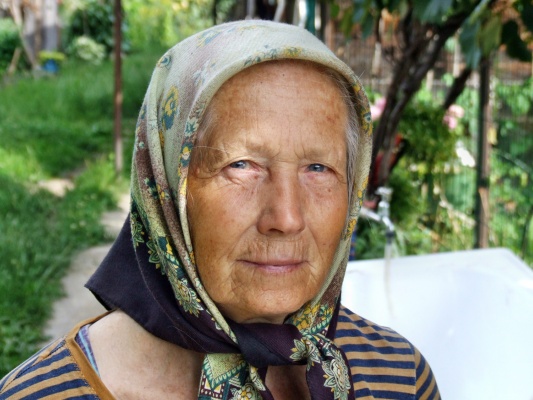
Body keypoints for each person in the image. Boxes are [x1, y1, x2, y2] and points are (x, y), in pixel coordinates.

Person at [0, 20, 440, 399]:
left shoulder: (400, 378)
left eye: (319, 168)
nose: (286, 218)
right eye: (241, 165)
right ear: (165, 189)